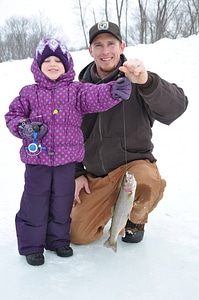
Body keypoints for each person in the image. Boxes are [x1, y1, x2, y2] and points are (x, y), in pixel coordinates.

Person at [4, 37, 132, 266]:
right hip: (38, 161)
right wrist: (25, 127)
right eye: (47, 61)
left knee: (62, 202)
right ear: (38, 65)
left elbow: (95, 96)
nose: (53, 64)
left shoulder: (76, 91)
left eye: (58, 61)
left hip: (66, 162)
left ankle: (57, 240)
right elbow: (13, 116)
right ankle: (32, 245)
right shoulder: (28, 93)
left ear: (67, 65)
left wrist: (113, 90)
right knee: (35, 202)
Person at [70, 20, 188, 246]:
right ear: (90, 50)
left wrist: (147, 82)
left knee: (147, 182)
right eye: (99, 45)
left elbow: (177, 108)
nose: (106, 51)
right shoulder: (78, 91)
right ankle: (109, 207)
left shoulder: (138, 78)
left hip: (133, 167)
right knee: (77, 235)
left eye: (111, 44)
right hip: (98, 176)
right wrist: (77, 172)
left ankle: (135, 219)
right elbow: (68, 137)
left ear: (122, 46)